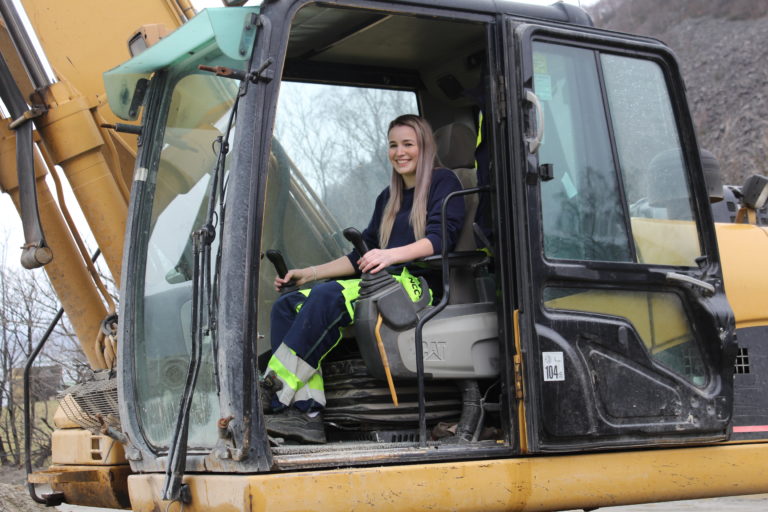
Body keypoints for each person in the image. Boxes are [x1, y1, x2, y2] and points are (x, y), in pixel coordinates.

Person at [263, 114, 465, 443]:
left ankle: (273, 393)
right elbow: (361, 256)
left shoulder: (445, 183)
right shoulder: (388, 198)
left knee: (329, 297)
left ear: (425, 147)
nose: (400, 152)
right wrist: (308, 274)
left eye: (408, 144)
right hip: (381, 283)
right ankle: (305, 413)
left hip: (418, 286)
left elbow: (441, 240)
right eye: (393, 145)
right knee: (288, 305)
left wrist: (390, 254)